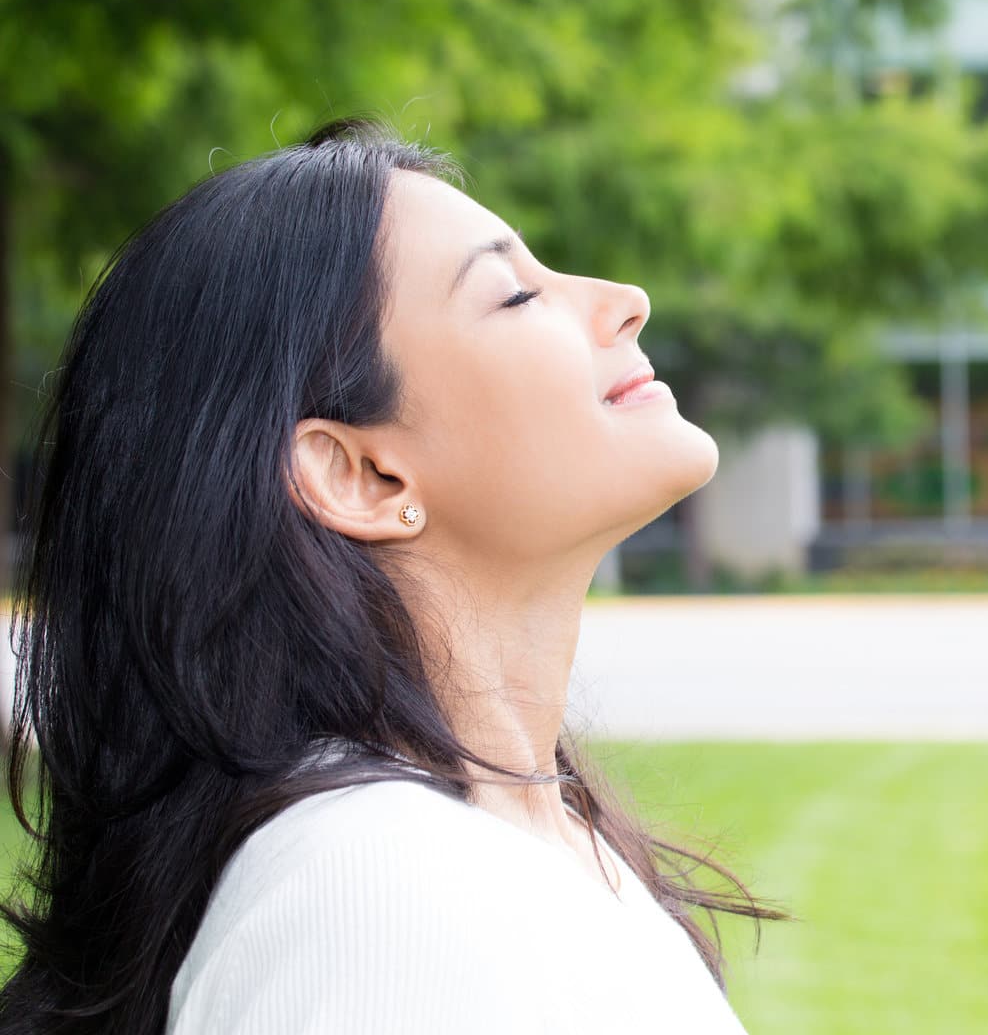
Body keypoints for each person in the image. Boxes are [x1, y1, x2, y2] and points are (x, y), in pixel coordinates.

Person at [0, 116, 787, 1033]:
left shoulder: (528, 846)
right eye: (515, 296)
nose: (625, 299)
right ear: (360, 475)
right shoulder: (376, 890)